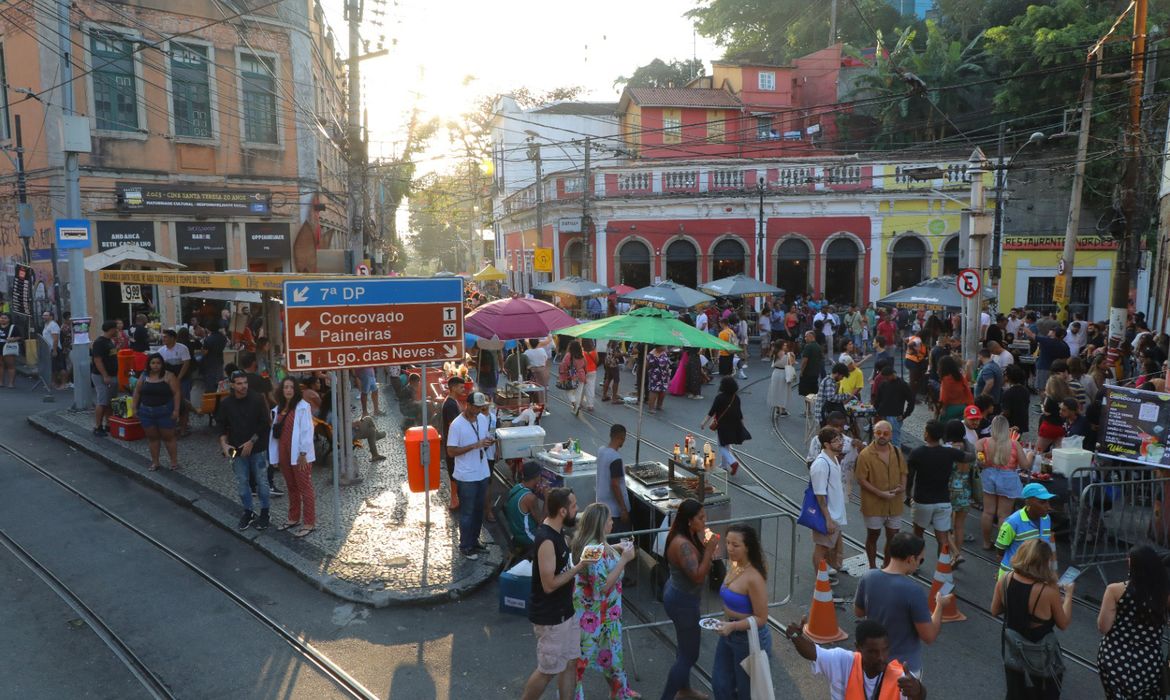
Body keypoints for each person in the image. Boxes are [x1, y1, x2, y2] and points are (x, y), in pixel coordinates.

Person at [522, 488, 587, 700]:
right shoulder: (547, 540)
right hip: (551, 618)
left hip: (566, 612)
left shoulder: (559, 533)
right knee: (547, 670)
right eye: (574, 506)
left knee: (570, 663)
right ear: (562, 511)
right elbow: (549, 585)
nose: (577, 510)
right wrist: (578, 567)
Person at [854, 533, 950, 676]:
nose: (918, 564)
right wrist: (940, 606)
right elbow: (929, 636)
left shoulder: (868, 577)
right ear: (911, 559)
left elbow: (859, 612)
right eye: (921, 560)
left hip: (872, 663)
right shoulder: (913, 591)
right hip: (903, 668)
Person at [990, 539, 1073, 699]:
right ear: (1044, 562)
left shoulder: (1005, 579)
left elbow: (995, 610)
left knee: (1016, 691)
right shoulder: (1048, 590)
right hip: (1040, 653)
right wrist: (1068, 596)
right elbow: (1063, 623)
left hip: (1013, 647)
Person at [571, 502, 638, 700]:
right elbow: (601, 586)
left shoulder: (594, 543)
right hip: (594, 618)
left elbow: (601, 552)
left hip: (605, 615)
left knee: (613, 657)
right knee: (581, 664)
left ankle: (620, 691)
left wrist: (616, 547)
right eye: (609, 519)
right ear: (601, 523)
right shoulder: (593, 548)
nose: (612, 522)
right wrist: (624, 559)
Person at [661, 499, 719, 700]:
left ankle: (684, 690)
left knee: (684, 648)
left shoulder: (688, 535)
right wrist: (709, 551)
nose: (705, 521)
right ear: (689, 520)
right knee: (689, 655)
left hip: (681, 596)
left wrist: (706, 549)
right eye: (701, 518)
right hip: (683, 602)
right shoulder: (682, 544)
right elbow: (697, 576)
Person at [784, 619, 928, 700]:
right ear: (858, 648)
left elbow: (918, 697)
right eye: (873, 652)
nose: (881, 657)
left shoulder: (900, 678)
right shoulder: (843, 661)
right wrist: (796, 637)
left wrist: (918, 690)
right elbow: (812, 652)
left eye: (885, 649)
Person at [1097, 545, 1170, 699]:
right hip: (1148, 662)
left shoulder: (1114, 590)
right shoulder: (1163, 595)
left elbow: (1103, 627)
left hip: (1114, 657)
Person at [712, 524, 771, 700]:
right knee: (720, 684)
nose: (729, 548)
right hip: (729, 633)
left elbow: (762, 618)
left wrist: (734, 626)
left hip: (748, 639)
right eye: (728, 542)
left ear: (748, 547)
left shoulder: (754, 577)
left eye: (735, 545)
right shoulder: (734, 564)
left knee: (746, 692)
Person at [907, 420, 973, 560]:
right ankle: (942, 569)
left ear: (927, 434)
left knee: (918, 534)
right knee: (943, 539)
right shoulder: (949, 453)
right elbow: (970, 456)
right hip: (943, 501)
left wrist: (908, 495)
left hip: (922, 501)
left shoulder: (917, 453)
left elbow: (910, 478)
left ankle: (916, 562)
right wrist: (965, 441)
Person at [216, 370, 273, 531]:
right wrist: (224, 444)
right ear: (232, 385)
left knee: (262, 481)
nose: (243, 386)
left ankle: (265, 512)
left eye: (245, 383)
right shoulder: (226, 403)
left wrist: (251, 441)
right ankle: (248, 511)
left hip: (258, 448)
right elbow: (221, 425)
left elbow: (264, 424)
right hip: (236, 449)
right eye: (239, 383)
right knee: (242, 482)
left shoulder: (257, 399)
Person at [446, 391, 493, 560]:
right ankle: (465, 545)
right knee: (467, 512)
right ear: (468, 405)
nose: (478, 411)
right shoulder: (457, 425)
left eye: (481, 408)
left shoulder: (482, 418)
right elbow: (451, 451)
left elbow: (483, 439)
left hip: (481, 472)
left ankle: (474, 541)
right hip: (466, 476)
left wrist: (487, 443)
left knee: (479, 511)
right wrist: (475, 445)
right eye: (475, 407)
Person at [855, 421, 907, 569]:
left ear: (891, 435)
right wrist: (880, 494)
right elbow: (861, 480)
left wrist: (902, 486)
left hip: (894, 504)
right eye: (878, 433)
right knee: (873, 535)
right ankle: (872, 567)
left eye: (885, 433)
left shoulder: (896, 452)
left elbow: (904, 472)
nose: (882, 436)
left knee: (893, 537)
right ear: (874, 432)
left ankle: (887, 566)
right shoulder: (865, 455)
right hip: (873, 504)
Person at [978, 416, 1036, 550]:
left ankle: (986, 543)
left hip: (989, 475)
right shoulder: (1014, 444)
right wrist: (1030, 455)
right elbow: (1025, 465)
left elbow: (977, 452)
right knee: (1003, 515)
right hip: (1008, 478)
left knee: (988, 512)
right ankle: (1001, 546)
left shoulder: (985, 442)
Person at [269, 377, 317, 538]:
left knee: (305, 487)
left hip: (299, 454)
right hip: (284, 452)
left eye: (291, 387)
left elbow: (307, 431)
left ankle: (309, 522)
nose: (288, 390)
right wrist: (274, 457)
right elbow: (274, 435)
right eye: (285, 387)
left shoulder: (303, 407)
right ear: (281, 391)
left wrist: (304, 453)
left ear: (296, 390)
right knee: (291, 487)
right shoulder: (278, 409)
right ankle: (293, 517)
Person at [131, 353, 180, 471]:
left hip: (164, 411)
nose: (155, 366)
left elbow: (177, 393)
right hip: (146, 412)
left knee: (169, 437)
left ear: (162, 364)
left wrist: (176, 410)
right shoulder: (144, 376)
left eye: (158, 363)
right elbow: (137, 392)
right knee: (152, 438)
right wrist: (134, 408)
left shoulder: (169, 376)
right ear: (149, 364)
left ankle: (173, 462)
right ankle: (155, 462)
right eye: (153, 363)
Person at [996, 483, 1056, 578]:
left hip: (1035, 574)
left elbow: (1048, 543)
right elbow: (1000, 550)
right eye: (1042, 502)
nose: (1048, 507)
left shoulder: (1046, 518)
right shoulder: (1012, 522)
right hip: (1012, 575)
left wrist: (1052, 569)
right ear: (1028, 502)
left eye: (1048, 502)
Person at [810, 427, 847, 580]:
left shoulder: (834, 459)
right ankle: (820, 584)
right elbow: (820, 495)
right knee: (821, 549)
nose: (840, 443)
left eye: (840, 439)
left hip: (835, 514)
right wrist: (828, 519)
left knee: (827, 548)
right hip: (829, 516)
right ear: (826, 444)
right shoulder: (821, 464)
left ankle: (826, 575)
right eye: (836, 441)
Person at [701, 377, 748, 475]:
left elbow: (711, 412)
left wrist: (704, 423)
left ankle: (732, 462)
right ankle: (724, 465)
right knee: (726, 445)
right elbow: (739, 413)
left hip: (723, 425)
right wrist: (743, 426)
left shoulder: (719, 398)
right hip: (735, 424)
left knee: (721, 445)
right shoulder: (736, 397)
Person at [944, 419, 974, 567]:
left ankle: (955, 553)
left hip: (949, 490)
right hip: (966, 489)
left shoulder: (948, 449)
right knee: (960, 526)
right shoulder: (970, 448)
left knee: (943, 525)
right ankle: (956, 557)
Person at [440, 375, 468, 510]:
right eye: (461, 387)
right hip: (452, 444)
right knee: (453, 472)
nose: (464, 389)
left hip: (453, 443)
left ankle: (456, 499)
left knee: (455, 471)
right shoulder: (450, 404)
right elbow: (454, 425)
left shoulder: (453, 402)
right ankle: (454, 500)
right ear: (453, 388)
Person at [158, 329, 193, 436]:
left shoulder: (182, 348)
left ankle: (184, 425)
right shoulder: (161, 351)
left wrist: (179, 378)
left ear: (173, 338)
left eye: (166, 337)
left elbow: (186, 364)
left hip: (183, 378)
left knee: (184, 401)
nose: (163, 339)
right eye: (163, 337)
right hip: (169, 379)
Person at [596, 423, 631, 531]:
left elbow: (606, 469)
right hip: (615, 512)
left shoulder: (601, 451)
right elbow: (615, 484)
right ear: (621, 438)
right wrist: (623, 509)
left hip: (602, 505)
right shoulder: (615, 458)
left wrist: (623, 470)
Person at [505, 461, 544, 555]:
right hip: (527, 537)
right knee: (560, 537)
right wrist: (547, 498)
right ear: (536, 477)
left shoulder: (516, 487)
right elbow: (542, 523)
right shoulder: (530, 498)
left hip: (516, 533)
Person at [89, 321, 119, 436]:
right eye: (116, 329)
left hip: (112, 375)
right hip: (101, 376)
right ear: (111, 329)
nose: (117, 331)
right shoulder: (99, 342)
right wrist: (105, 375)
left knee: (110, 401)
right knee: (102, 401)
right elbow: (97, 360)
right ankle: (98, 426)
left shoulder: (109, 341)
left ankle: (109, 424)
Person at [873, 366, 914, 447]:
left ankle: (896, 458)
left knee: (895, 440)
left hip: (895, 417)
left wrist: (905, 415)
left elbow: (911, 401)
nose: (886, 379)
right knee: (883, 439)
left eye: (887, 377)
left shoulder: (903, 385)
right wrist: (876, 411)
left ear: (892, 374)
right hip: (883, 415)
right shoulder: (883, 384)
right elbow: (878, 399)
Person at [936, 355, 972, 422]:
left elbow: (944, 397)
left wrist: (943, 409)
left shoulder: (946, 379)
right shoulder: (959, 376)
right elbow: (968, 380)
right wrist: (968, 367)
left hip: (951, 408)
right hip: (963, 407)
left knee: (942, 426)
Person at [1000, 364, 1031, 437]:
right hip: (1022, 422)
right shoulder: (1025, 390)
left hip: (1011, 424)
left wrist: (997, 418)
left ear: (1008, 377)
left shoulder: (1008, 393)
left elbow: (1006, 412)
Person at [768, 339, 796, 417]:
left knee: (775, 390)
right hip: (784, 373)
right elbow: (792, 364)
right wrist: (793, 355)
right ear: (781, 346)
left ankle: (777, 409)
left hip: (776, 373)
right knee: (784, 391)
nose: (786, 346)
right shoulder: (788, 355)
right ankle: (783, 410)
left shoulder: (775, 353)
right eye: (784, 345)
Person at [200, 319, 227, 390]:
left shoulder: (208, 339)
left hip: (210, 363)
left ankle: (212, 400)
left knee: (210, 386)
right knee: (220, 384)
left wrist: (202, 349)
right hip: (220, 361)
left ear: (208, 328)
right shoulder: (223, 337)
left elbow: (205, 352)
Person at [644, 344, 671, 414]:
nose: (665, 347)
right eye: (664, 346)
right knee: (654, 390)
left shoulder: (664, 353)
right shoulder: (651, 354)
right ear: (659, 347)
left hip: (664, 375)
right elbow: (647, 366)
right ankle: (651, 407)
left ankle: (659, 405)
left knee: (663, 390)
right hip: (655, 375)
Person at [798, 330, 824, 400]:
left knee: (806, 392)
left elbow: (805, 361)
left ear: (811, 336)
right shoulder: (818, 346)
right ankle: (811, 408)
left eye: (806, 336)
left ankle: (808, 409)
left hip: (807, 373)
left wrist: (801, 371)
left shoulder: (808, 347)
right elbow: (821, 359)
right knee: (813, 392)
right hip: (815, 373)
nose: (805, 338)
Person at [580, 339, 599, 411]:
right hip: (592, 371)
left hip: (583, 371)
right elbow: (597, 361)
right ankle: (590, 405)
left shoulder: (581, 351)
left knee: (581, 387)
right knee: (591, 387)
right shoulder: (594, 351)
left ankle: (579, 403)